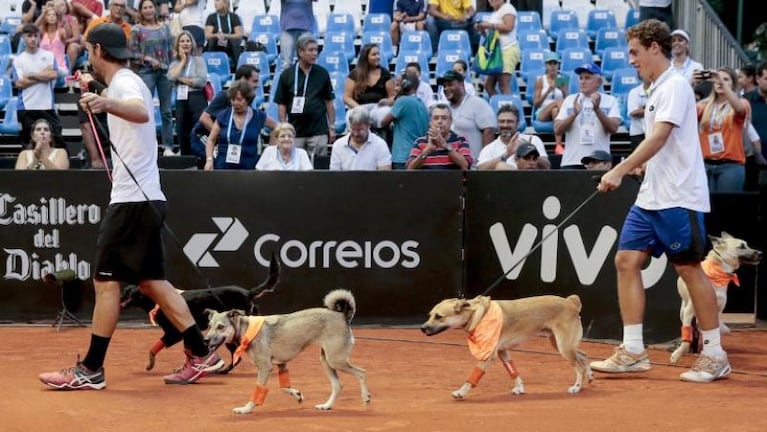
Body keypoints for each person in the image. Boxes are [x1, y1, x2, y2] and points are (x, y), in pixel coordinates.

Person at [38, 23, 224, 390]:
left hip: (132, 202)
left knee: (105, 282)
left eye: (88, 52)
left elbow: (138, 112)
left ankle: (91, 369)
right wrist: (97, 90)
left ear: (95, 51)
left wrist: (104, 101)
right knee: (153, 283)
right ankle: (202, 353)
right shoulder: (125, 80)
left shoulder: (124, 86)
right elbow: (128, 102)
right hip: (146, 199)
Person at [592, 19, 730, 384]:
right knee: (626, 260)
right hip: (652, 195)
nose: (632, 60)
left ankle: (715, 354)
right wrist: (643, 169)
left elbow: (660, 136)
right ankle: (634, 350)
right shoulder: (657, 89)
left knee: (688, 268)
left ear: (655, 47)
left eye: (635, 52)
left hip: (679, 196)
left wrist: (620, 169)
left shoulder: (674, 86)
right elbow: (662, 145)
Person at [273, 34, 336, 160]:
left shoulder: (322, 73)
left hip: (318, 130)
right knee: (295, 168)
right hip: (295, 132)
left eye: (316, 50)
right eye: (311, 50)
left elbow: (329, 102)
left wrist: (332, 127)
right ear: (300, 52)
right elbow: (282, 104)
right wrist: (284, 127)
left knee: (318, 168)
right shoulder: (287, 75)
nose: (315, 54)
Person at [553, 63, 621, 169]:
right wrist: (573, 114)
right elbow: (557, 129)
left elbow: (613, 128)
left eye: (587, 78)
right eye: (581, 78)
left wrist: (598, 110)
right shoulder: (570, 100)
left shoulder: (610, 100)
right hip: (572, 161)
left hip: (599, 162)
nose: (583, 81)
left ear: (599, 82)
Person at [11, 24, 67, 149]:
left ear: (39, 38)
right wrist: (43, 76)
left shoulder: (49, 56)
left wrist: (31, 75)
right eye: (29, 36)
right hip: (26, 107)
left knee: (57, 140)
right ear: (23, 37)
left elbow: (53, 74)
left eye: (36, 36)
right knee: (28, 145)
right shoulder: (18, 60)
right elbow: (19, 83)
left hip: (46, 105)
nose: (33, 39)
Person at [129, 0, 175, 155]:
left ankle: (168, 146)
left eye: (150, 7)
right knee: (145, 110)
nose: (148, 10)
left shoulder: (165, 28)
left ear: (155, 9)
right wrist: (148, 59)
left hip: (165, 73)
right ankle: (146, 145)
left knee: (167, 111)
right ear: (141, 11)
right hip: (146, 72)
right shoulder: (136, 29)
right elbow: (132, 53)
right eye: (145, 8)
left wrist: (172, 70)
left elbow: (171, 51)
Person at [695, 67, 750, 193]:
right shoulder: (703, 105)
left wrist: (723, 84)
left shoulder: (742, 102)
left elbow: (740, 110)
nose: (720, 82)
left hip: (730, 165)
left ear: (733, 84)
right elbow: (682, 115)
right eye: (717, 80)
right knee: (706, 210)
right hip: (706, 164)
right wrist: (689, 83)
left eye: (726, 79)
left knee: (726, 209)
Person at [204, 80, 266, 170]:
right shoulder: (223, 115)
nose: (235, 103)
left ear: (248, 99)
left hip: (249, 168)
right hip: (223, 167)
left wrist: (268, 154)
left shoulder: (259, 116)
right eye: (233, 99)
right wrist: (209, 160)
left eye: (239, 100)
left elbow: (277, 129)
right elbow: (211, 140)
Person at [438, 70, 496, 162]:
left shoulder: (478, 103)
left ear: (461, 84)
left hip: (473, 166)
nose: (446, 88)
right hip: (450, 166)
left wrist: (484, 161)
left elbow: (488, 131)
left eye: (450, 84)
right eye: (444, 86)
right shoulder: (445, 109)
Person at [167, 30, 207, 156]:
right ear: (178, 45)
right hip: (181, 98)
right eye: (182, 41)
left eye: (188, 41)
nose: (185, 44)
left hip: (197, 97)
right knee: (181, 128)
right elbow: (170, 77)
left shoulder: (199, 61)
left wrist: (181, 79)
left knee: (197, 128)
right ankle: (185, 156)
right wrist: (183, 61)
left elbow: (201, 81)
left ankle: (199, 156)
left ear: (192, 44)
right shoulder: (174, 63)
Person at [379, 71, 430, 170]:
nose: (395, 88)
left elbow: (382, 122)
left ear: (406, 85)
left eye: (398, 85)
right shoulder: (421, 103)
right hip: (418, 156)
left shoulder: (402, 101)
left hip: (402, 158)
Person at [477, 103, 549, 170]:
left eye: (510, 121)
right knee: (501, 166)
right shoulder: (490, 148)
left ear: (517, 123)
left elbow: (547, 166)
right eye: (502, 121)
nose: (505, 125)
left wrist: (529, 149)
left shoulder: (533, 139)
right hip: (503, 183)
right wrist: (507, 154)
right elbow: (480, 169)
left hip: (531, 181)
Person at [343, 43, 396, 128]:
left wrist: (386, 102)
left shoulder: (385, 73)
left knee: (385, 113)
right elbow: (346, 97)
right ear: (366, 57)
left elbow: (393, 96)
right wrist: (358, 108)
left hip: (378, 108)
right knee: (351, 116)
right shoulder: (355, 74)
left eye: (378, 54)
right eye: (374, 55)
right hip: (359, 107)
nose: (377, 57)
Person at [407, 103, 472, 170]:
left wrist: (445, 146)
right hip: (427, 180)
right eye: (436, 118)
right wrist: (427, 150)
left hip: (452, 180)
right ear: (430, 122)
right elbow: (410, 168)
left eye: (444, 118)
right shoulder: (420, 142)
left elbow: (465, 165)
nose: (440, 121)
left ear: (451, 121)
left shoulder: (461, 140)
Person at [474, 0, 519, 96]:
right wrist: (482, 30)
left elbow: (508, 27)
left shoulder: (508, 8)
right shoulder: (494, 13)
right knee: (488, 86)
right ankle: (499, 105)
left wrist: (489, 25)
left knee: (504, 85)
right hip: (496, 53)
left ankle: (507, 108)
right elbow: (492, 34)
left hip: (507, 49)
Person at [330, 107, 392, 171]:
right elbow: (334, 174)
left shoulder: (380, 144)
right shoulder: (338, 145)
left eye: (359, 130)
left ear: (368, 126)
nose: (356, 134)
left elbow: (385, 174)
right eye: (353, 129)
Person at [532, 51, 567, 148]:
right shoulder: (540, 80)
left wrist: (563, 90)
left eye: (555, 63)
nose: (552, 66)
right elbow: (536, 104)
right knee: (556, 103)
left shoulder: (562, 79)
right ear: (546, 65)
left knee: (555, 111)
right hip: (542, 113)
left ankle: (558, 146)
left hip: (557, 112)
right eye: (550, 63)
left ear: (558, 65)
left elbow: (568, 100)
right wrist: (548, 91)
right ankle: (563, 115)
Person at [203, 0, 243, 67]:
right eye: (215, 1)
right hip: (216, 43)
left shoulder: (234, 17)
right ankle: (209, 67)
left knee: (235, 44)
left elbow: (239, 35)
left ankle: (239, 70)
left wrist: (225, 36)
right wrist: (216, 35)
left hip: (229, 44)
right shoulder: (211, 17)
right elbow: (207, 35)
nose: (215, 3)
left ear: (225, 3)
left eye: (218, 1)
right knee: (211, 42)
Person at [278, 0, 315, 69]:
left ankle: (307, 79)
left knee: (307, 60)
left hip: (306, 27)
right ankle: (288, 79)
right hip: (287, 27)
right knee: (286, 63)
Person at [626, 75, 650, 152]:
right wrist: (653, 108)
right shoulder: (634, 92)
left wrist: (643, 109)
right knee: (639, 162)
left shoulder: (661, 90)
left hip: (654, 132)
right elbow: (634, 113)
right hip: (638, 134)